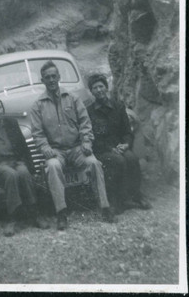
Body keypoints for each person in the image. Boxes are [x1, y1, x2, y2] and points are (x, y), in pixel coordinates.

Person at [30, 60, 115, 230]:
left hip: (76, 148)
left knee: (94, 163)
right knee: (53, 167)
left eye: (54, 76)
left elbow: (85, 123)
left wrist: (86, 141)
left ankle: (104, 206)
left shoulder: (73, 99)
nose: (52, 80)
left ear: (59, 77)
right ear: (43, 80)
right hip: (56, 151)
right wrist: (45, 148)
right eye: (48, 77)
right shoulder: (38, 106)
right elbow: (37, 133)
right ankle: (61, 213)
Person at [0, 98, 49, 236]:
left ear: (3, 110)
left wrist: (31, 167)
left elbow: (23, 147)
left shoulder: (12, 124)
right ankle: (12, 218)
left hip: (14, 161)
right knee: (11, 175)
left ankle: (35, 214)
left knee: (24, 173)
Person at [87, 73, 151, 212]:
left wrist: (126, 144)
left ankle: (136, 194)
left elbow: (127, 132)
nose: (99, 90)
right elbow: (92, 138)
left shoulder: (118, 107)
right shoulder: (89, 112)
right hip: (102, 150)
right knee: (118, 161)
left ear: (106, 87)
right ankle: (116, 200)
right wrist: (110, 148)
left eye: (101, 86)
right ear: (91, 91)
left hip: (120, 147)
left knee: (132, 158)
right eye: (95, 88)